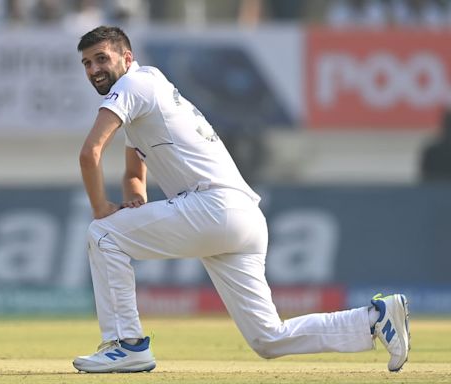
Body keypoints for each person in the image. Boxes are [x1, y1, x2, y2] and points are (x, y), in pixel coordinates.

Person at [72, 26, 411, 374]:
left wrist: (102, 210)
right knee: (268, 338)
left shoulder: (132, 85)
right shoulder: (148, 85)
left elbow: (90, 153)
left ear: (126, 58)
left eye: (102, 58)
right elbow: (133, 174)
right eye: (86, 63)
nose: (94, 69)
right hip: (241, 216)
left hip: (213, 207)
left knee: (103, 234)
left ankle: (128, 346)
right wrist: (136, 202)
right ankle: (374, 318)